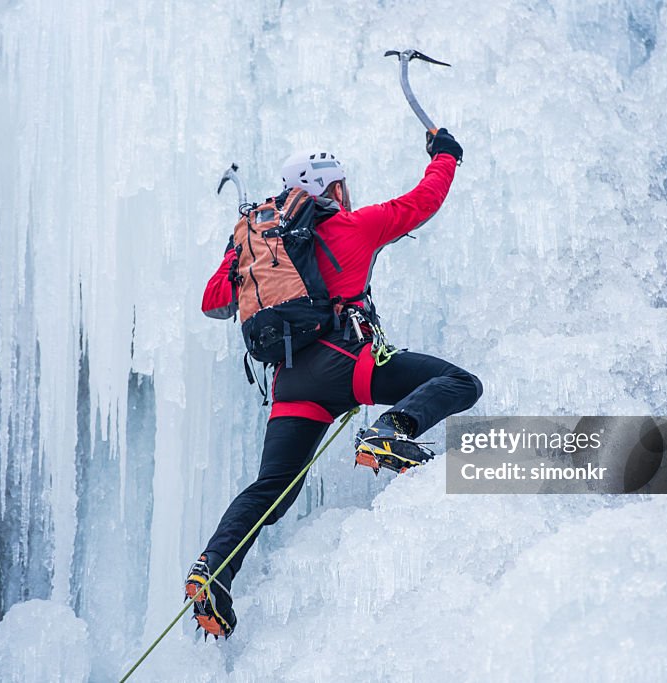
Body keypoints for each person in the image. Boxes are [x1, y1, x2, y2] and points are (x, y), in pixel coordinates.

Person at [185, 130, 482, 639]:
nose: (346, 194)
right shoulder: (353, 227)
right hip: (348, 363)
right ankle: (391, 429)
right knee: (460, 381)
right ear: (329, 189)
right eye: (340, 186)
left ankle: (212, 570)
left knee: (272, 491)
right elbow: (422, 201)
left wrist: (237, 255)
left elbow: (215, 302)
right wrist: (445, 156)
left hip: (293, 383)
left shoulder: (255, 247)